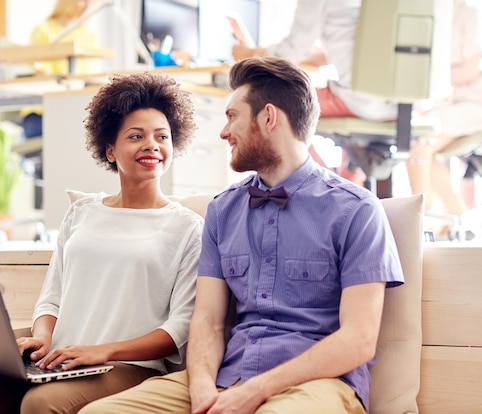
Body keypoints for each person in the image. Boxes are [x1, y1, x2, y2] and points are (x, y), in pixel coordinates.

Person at [79, 56, 405, 414]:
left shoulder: (357, 210)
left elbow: (358, 341)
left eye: (232, 116)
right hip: (226, 376)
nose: (223, 132)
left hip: (318, 386)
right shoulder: (223, 211)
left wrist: (255, 392)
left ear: (268, 117)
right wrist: (202, 388)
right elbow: (208, 321)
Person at [0, 72, 203, 414]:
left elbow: (179, 327)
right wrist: (42, 339)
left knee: (40, 404)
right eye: (136, 136)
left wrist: (103, 351)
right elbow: (51, 299)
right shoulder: (81, 213)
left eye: (161, 136)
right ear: (110, 149)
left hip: (128, 367)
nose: (152, 144)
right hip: (61, 360)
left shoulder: (188, 228)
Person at [233, 0, 398, 186]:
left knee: (274, 105)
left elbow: (292, 49)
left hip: (360, 102)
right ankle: (344, 181)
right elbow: (353, 47)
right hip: (403, 106)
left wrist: (249, 54)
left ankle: (320, 185)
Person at [406, 0, 482, 238]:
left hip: (474, 104)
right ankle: (457, 218)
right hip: (450, 104)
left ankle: (419, 222)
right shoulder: (435, 13)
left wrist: (432, 75)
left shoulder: (470, 14)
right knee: (415, 140)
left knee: (418, 143)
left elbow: (472, 69)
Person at [21, 0, 103, 139]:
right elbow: (39, 71)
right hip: (42, 114)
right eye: (83, 1)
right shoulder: (43, 30)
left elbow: (94, 79)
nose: (87, 6)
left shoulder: (89, 36)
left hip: (80, 112)